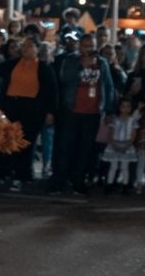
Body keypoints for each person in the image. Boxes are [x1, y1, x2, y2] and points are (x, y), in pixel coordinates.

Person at [49, 33, 115, 195]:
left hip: (92, 113)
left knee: (84, 149)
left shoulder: (102, 63)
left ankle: (78, 180)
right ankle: (58, 181)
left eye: (92, 46)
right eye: (86, 46)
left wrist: (108, 109)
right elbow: (64, 78)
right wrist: (82, 66)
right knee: (65, 147)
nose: (89, 49)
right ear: (80, 46)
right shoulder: (70, 60)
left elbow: (108, 85)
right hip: (71, 111)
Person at [0, 35, 58, 190]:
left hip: (31, 109)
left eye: (30, 46)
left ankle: (21, 175)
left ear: (37, 49)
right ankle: (1, 174)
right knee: (5, 140)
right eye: (24, 46)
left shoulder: (43, 67)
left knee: (25, 143)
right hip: (10, 106)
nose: (26, 49)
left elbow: (52, 91)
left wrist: (50, 112)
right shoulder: (13, 64)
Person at [100, 98, 139, 192]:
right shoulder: (115, 119)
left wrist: (128, 145)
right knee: (113, 166)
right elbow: (111, 133)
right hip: (115, 144)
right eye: (123, 106)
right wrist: (113, 145)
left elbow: (134, 134)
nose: (125, 109)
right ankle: (109, 185)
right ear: (119, 107)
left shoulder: (133, 120)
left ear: (131, 108)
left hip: (127, 145)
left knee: (125, 167)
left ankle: (125, 186)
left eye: (128, 106)